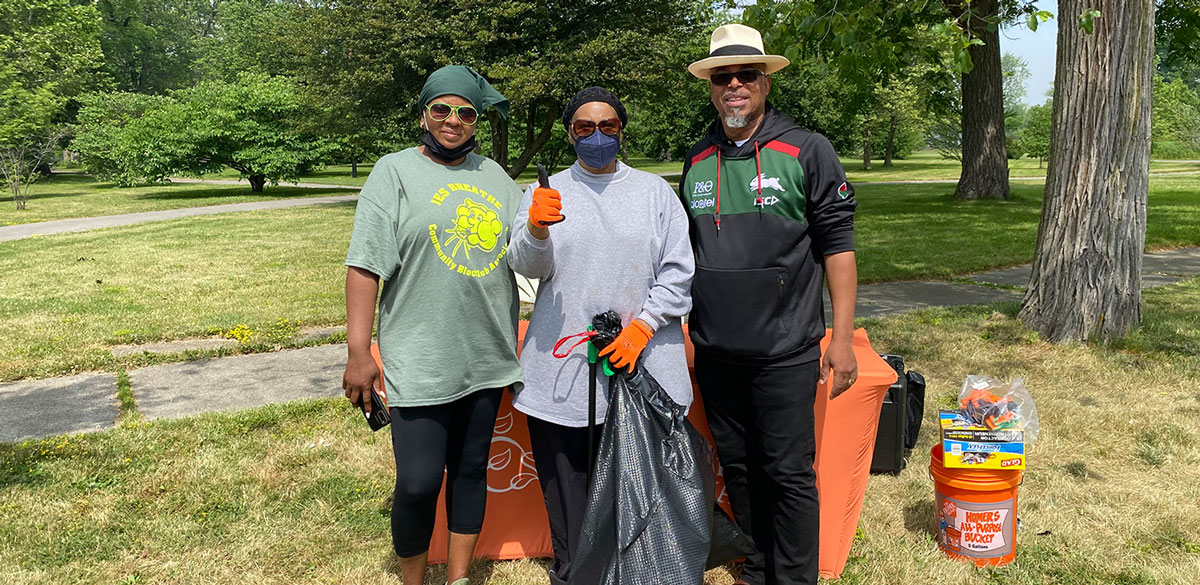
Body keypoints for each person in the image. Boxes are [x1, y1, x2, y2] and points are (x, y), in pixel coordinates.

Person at [677, 24, 859, 585]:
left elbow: (839, 249)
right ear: (710, 87)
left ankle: (795, 577)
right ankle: (756, 568)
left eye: (746, 75)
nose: (735, 86)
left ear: (765, 83)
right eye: (723, 77)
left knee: (788, 473)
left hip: (786, 350)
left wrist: (845, 338)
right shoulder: (695, 159)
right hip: (715, 350)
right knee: (739, 469)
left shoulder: (807, 149)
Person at [342, 65, 522, 585]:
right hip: (419, 354)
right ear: (424, 113)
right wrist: (359, 353)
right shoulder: (393, 172)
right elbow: (364, 265)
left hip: (485, 353)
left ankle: (460, 576)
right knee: (419, 482)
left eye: (466, 113)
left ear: (476, 121)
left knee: (469, 473)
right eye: (442, 109)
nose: (453, 120)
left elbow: (528, 253)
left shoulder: (495, 178)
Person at [507, 86, 695, 585]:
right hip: (562, 371)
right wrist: (536, 229)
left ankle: (640, 569)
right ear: (570, 133)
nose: (596, 136)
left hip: (644, 365)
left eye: (607, 126)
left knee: (640, 482)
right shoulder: (543, 193)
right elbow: (525, 268)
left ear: (621, 130)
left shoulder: (655, 194)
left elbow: (679, 271)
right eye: (584, 127)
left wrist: (642, 327)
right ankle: (575, 572)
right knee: (567, 485)